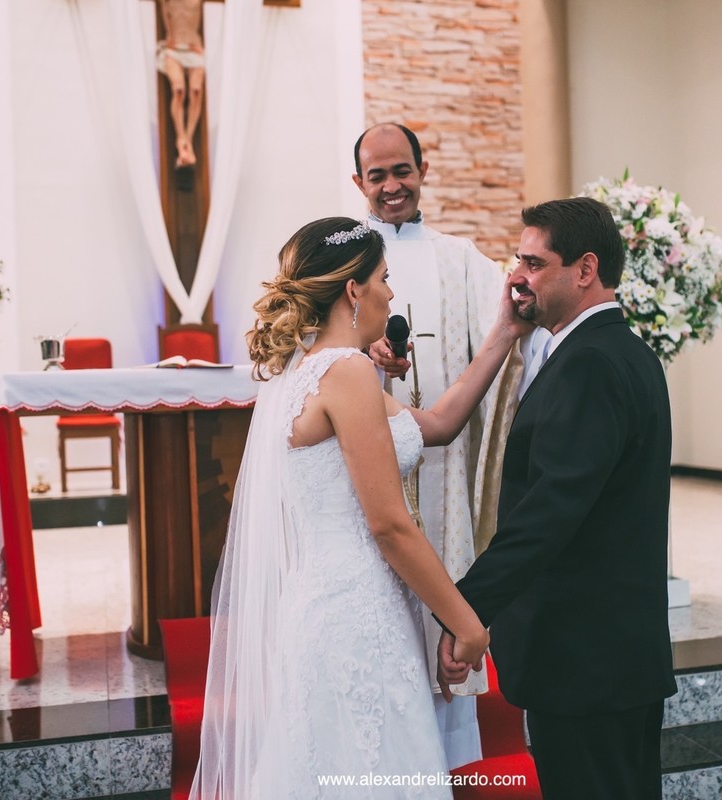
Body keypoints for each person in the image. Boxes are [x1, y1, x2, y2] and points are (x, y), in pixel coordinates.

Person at [190, 217, 530, 799]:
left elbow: (441, 425)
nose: (391, 294)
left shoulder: (310, 368)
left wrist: (502, 331)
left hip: (329, 605)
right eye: (384, 278)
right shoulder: (345, 372)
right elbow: (389, 524)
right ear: (353, 291)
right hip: (356, 617)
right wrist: (469, 623)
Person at [438, 197, 677, 799]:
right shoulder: (619, 351)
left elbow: (549, 512)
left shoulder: (589, 363)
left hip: (586, 663)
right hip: (612, 656)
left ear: (585, 269)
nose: (516, 276)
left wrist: (465, 609)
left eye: (533, 263)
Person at [352, 122, 525, 767]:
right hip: (369, 475)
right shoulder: (340, 264)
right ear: (359, 183)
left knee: (442, 592)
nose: (392, 186)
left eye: (402, 171)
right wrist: (360, 352)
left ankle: (445, 763)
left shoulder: (463, 262)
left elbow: (514, 321)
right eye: (378, 175)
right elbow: (312, 354)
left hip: (443, 472)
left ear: (423, 170)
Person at [156, 0, 206, 169]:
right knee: (178, 91)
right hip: (173, 46)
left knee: (196, 91)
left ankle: (187, 139)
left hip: (194, 46)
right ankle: (181, 138)